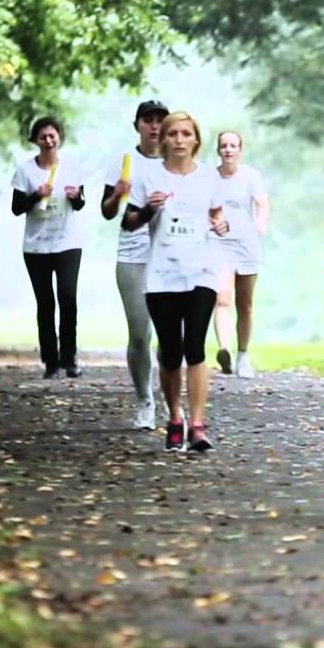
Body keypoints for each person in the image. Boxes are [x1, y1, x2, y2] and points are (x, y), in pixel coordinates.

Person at [123, 111, 231, 452]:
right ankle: (174, 416)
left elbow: (215, 213)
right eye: (173, 134)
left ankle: (198, 424)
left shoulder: (210, 178)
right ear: (163, 140)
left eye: (186, 134)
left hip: (201, 271)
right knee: (170, 352)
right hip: (161, 274)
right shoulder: (148, 176)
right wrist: (148, 212)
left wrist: (220, 224)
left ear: (196, 140)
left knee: (195, 347)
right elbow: (128, 222)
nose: (180, 140)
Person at [102, 100, 167, 428]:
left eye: (160, 120)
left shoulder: (177, 162)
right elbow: (107, 211)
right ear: (137, 125)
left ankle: (171, 398)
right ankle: (144, 399)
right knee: (141, 334)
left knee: (171, 335)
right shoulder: (124, 162)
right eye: (148, 121)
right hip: (133, 254)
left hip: (171, 256)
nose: (154, 127)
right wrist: (118, 195)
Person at [11, 116, 87, 377]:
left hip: (68, 241)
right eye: (42, 136)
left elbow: (80, 204)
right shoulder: (25, 171)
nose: (48, 140)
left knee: (68, 297)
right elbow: (16, 208)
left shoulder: (73, 167)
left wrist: (76, 197)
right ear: (36, 141)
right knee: (46, 303)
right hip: (36, 246)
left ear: (59, 138)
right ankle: (50, 360)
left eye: (52, 135)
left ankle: (70, 357)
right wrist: (36, 195)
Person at [210, 130, 270, 379]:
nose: (228, 150)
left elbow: (263, 203)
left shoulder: (250, 176)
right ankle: (224, 348)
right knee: (222, 299)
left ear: (240, 150)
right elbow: (207, 207)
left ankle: (243, 355)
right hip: (219, 242)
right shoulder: (210, 177)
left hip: (247, 244)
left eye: (233, 145)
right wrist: (214, 222)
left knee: (245, 304)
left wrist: (260, 223)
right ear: (218, 150)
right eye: (224, 146)